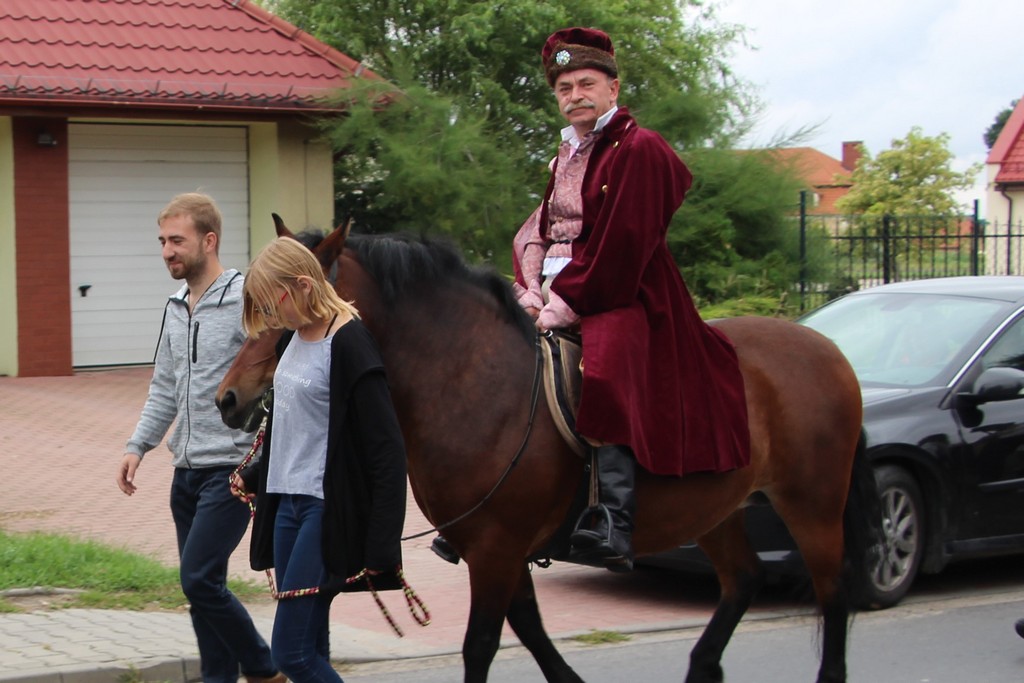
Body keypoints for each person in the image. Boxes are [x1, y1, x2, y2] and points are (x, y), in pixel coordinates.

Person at [437, 27, 754, 572]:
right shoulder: (566, 151)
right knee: (488, 357)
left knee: (604, 370)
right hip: (562, 287)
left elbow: (622, 245)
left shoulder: (641, 148)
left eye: (586, 83)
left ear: (613, 87)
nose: (575, 94)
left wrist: (562, 305)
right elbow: (540, 226)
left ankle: (613, 515)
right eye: (564, 87)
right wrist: (530, 291)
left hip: (624, 290)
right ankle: (487, 503)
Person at [115, 193, 282, 683]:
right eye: (162, 241)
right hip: (184, 471)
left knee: (199, 578)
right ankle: (218, 676)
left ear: (209, 241)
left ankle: (263, 667)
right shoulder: (173, 307)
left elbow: (270, 369)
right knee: (202, 587)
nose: (167, 250)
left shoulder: (246, 300)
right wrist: (136, 446)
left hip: (230, 469)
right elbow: (165, 387)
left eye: (177, 240)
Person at [230, 237, 408, 682]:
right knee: (311, 644)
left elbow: (387, 451)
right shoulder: (294, 335)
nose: (273, 317)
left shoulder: (349, 342)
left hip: (324, 511)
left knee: (291, 655)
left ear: (304, 285)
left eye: (275, 305)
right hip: (286, 505)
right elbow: (290, 420)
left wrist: (383, 545)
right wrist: (255, 472)